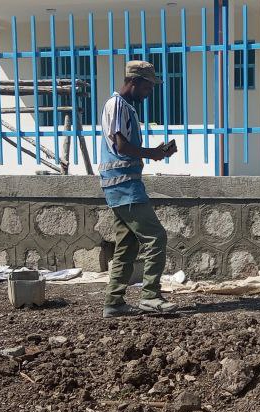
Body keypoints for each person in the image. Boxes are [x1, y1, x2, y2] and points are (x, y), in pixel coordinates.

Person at [97, 60, 179, 318]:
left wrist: (155, 153)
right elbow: (121, 147)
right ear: (134, 82)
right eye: (147, 87)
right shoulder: (117, 105)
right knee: (156, 237)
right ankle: (150, 296)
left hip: (121, 186)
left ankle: (114, 302)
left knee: (127, 246)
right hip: (124, 187)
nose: (149, 92)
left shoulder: (125, 107)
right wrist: (153, 153)